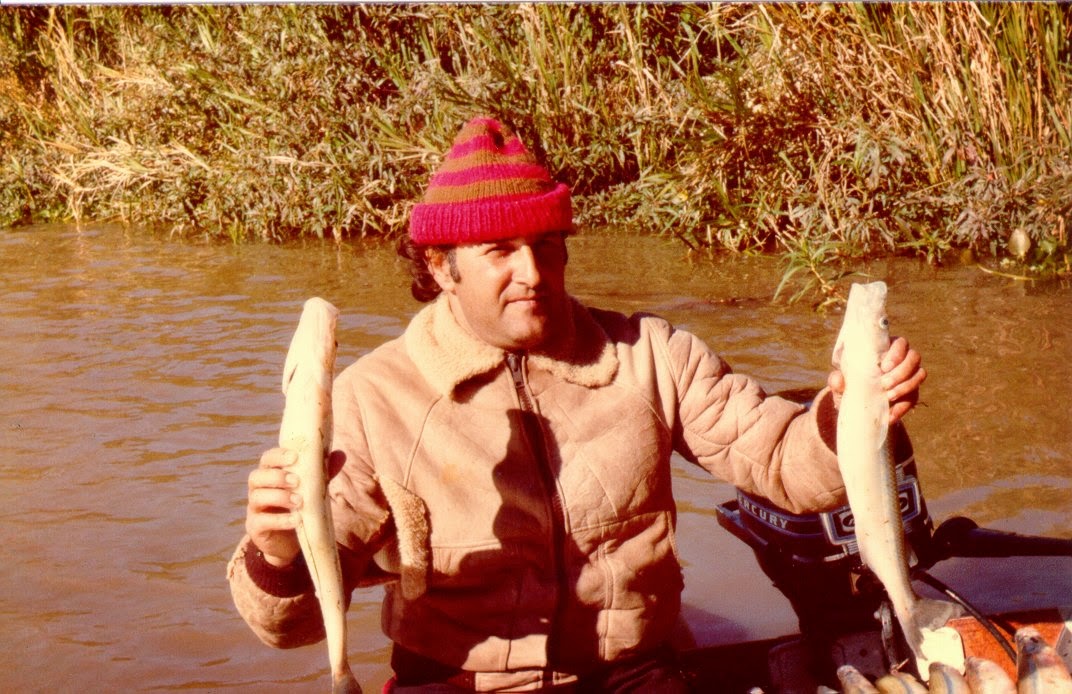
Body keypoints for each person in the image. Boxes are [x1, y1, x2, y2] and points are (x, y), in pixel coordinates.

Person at [228, 116, 926, 692]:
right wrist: (278, 548)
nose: (532, 274)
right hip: (455, 681)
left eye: (547, 246)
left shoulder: (651, 354)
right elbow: (288, 628)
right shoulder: (372, 396)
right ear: (441, 266)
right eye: (500, 250)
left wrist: (848, 414)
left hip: (633, 673)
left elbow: (784, 464)